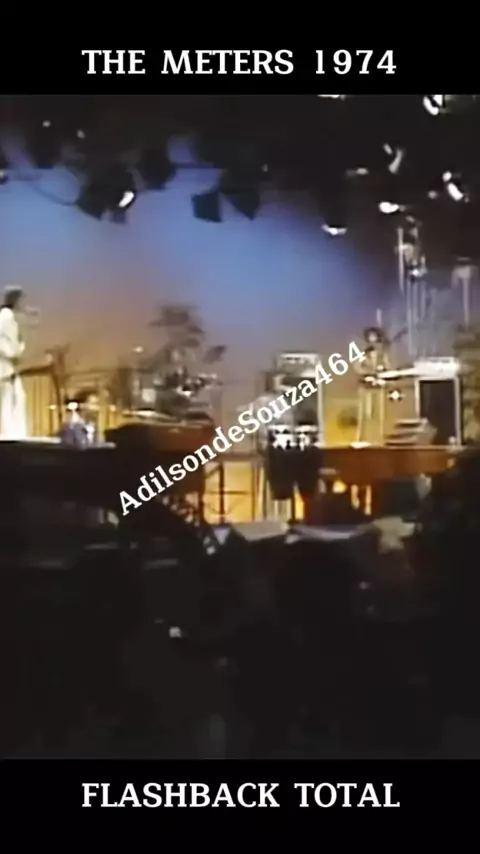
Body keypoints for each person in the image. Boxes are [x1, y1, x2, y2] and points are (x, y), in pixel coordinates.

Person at [0, 286, 27, 439]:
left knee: (15, 398)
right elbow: (8, 345)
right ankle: (10, 434)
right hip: (5, 367)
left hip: (8, 367)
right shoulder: (5, 318)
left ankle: (11, 433)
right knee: (9, 401)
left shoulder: (7, 318)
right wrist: (14, 351)